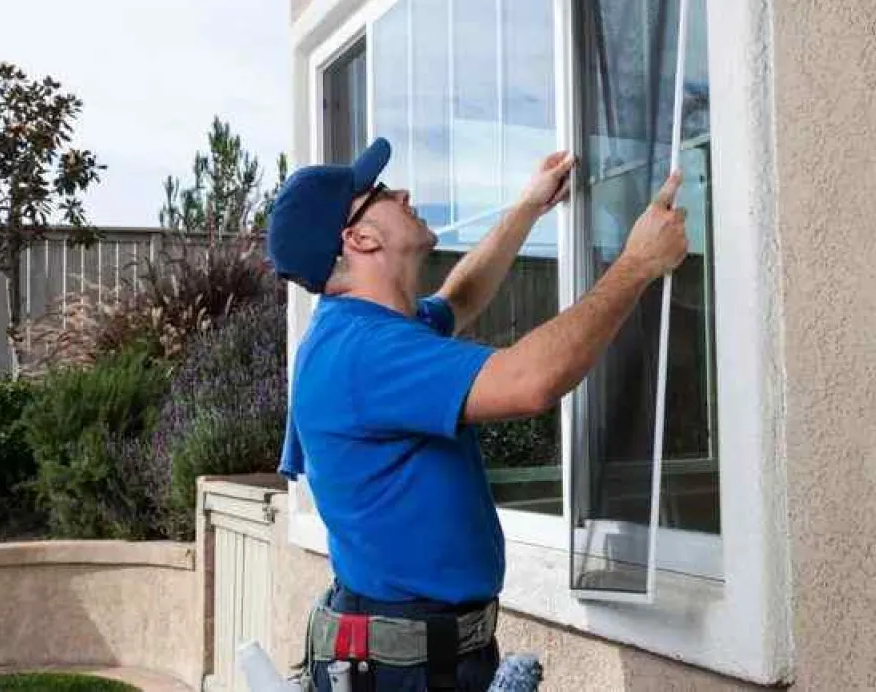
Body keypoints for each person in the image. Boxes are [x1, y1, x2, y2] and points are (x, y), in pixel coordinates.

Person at [266, 137, 687, 691]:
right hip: (406, 674)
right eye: (382, 192)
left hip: (420, 657)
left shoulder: (374, 329)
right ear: (361, 237)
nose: (404, 192)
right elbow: (529, 383)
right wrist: (635, 265)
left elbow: (461, 298)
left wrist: (528, 207)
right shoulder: (364, 355)